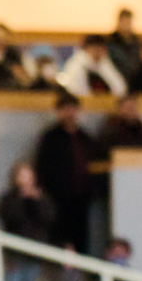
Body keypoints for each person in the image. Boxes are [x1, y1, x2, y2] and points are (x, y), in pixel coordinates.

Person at [34, 93, 99, 254]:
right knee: (60, 239)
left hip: (81, 199)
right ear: (58, 112)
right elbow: (42, 166)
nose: (70, 113)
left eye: (73, 109)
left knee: (81, 239)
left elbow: (94, 166)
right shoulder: (50, 138)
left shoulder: (85, 138)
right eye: (65, 109)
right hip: (57, 199)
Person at [58, 35, 126, 99]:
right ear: (87, 49)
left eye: (101, 49)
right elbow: (75, 91)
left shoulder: (104, 64)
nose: (98, 52)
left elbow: (120, 89)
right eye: (95, 49)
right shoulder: (76, 65)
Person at [106, 9, 142, 82]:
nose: (126, 25)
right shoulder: (110, 43)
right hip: (115, 80)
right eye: (124, 22)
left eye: (128, 22)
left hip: (134, 81)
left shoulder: (136, 43)